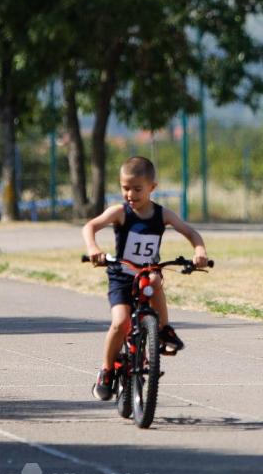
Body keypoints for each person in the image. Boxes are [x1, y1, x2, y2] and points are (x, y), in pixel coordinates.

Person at [83, 156, 209, 400]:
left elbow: (190, 232)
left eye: (137, 189)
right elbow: (90, 226)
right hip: (122, 276)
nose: (130, 194)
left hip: (147, 273)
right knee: (120, 323)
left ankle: (163, 328)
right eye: (125, 188)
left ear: (152, 187)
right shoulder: (120, 212)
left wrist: (199, 251)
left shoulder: (162, 215)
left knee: (153, 279)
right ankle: (107, 371)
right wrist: (93, 249)